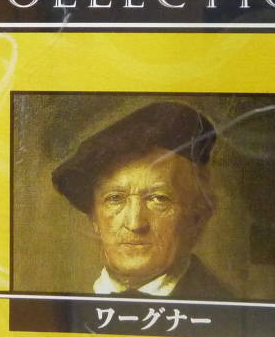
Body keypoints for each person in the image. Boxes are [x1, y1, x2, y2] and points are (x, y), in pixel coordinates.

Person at [51, 101, 233, 299]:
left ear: (196, 217)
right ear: (94, 219)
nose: (135, 224)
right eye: (115, 198)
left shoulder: (221, 304)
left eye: (158, 199)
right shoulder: (66, 302)